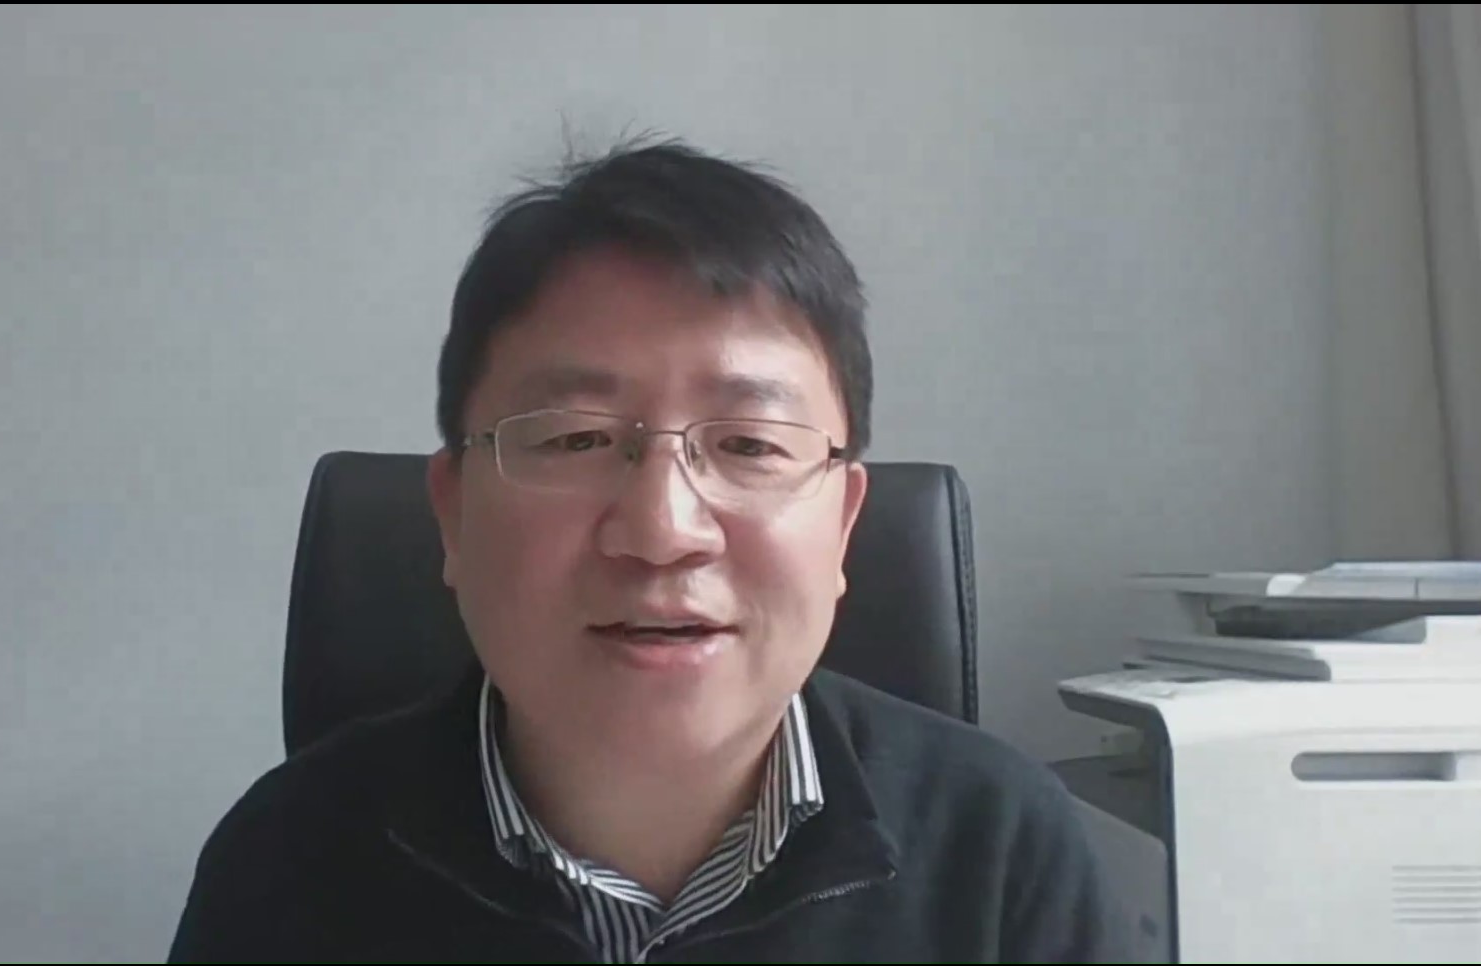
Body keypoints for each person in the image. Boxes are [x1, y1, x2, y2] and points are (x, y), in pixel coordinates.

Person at [168, 136, 1129, 963]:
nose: (663, 531)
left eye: (748, 445)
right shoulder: (286, 861)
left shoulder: (1002, 851)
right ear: (452, 513)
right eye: (576, 440)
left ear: (843, 523)